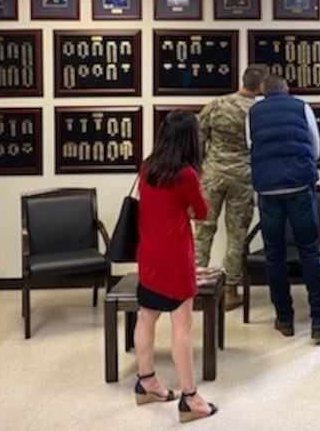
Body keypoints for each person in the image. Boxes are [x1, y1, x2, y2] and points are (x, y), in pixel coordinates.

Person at [134, 109, 217, 422]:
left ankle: (146, 382)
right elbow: (203, 211)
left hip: (148, 256)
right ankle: (190, 398)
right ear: (190, 139)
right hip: (174, 259)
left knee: (146, 316)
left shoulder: (147, 167)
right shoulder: (186, 175)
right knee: (181, 326)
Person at [247, 74, 320, 344]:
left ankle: (284, 318)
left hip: (268, 191)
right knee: (310, 252)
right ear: (287, 90)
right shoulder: (301, 107)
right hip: (299, 187)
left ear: (263, 90)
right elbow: (316, 148)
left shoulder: (252, 112)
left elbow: (251, 146)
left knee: (275, 255)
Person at [194, 64, 269, 310]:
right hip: (243, 177)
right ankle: (230, 291)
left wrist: (203, 166)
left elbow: (198, 137)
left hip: (212, 174)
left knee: (204, 229)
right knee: (237, 234)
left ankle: (195, 284)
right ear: (261, 86)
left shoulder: (216, 105)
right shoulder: (259, 111)